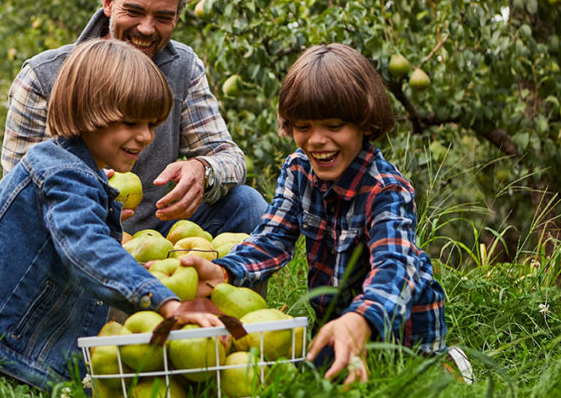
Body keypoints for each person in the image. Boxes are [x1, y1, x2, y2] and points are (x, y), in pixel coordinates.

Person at [0, 39, 222, 389]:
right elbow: (87, 248)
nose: (144, 137)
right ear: (87, 113)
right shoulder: (65, 174)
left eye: (152, 125)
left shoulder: (72, 166)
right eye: (129, 122)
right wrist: (166, 302)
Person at [184, 43, 450, 384]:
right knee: (310, 382)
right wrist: (222, 272)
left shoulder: (386, 190)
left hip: (403, 335)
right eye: (303, 126)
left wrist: (361, 320)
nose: (316, 140)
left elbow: (394, 267)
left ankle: (446, 364)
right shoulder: (298, 170)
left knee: (402, 386)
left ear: (364, 123)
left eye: (334, 125)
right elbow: (272, 239)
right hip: (337, 325)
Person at [2, 0, 267, 238]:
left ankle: (227, 284)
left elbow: (228, 156)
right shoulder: (43, 77)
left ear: (177, 17)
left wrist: (202, 170)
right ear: (108, 2)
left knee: (248, 205)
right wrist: (83, 192)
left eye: (164, 17)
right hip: (73, 233)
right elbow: (17, 194)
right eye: (134, 11)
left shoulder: (184, 68)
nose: (146, 29)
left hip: (161, 234)